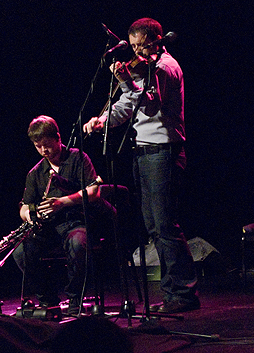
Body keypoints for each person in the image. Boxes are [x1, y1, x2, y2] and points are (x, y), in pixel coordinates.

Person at [83, 18, 199, 313]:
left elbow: (150, 103)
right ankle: (174, 291)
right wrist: (103, 119)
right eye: (132, 46)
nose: (135, 52)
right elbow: (127, 102)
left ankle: (183, 293)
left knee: (164, 223)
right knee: (153, 224)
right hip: (144, 152)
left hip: (164, 151)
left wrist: (126, 81)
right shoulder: (144, 69)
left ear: (156, 40)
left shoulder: (164, 67)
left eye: (140, 46)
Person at [19, 115, 112, 315]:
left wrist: (62, 202)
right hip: (50, 228)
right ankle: (47, 300)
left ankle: (75, 298)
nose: (43, 150)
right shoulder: (35, 173)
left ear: (58, 138)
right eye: (38, 146)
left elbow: (94, 191)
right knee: (20, 251)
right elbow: (24, 207)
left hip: (76, 222)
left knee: (78, 243)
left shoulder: (78, 158)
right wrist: (29, 215)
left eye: (47, 145)